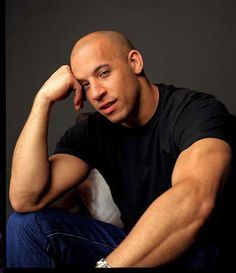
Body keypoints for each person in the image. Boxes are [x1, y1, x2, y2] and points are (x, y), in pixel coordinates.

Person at [6, 30, 235, 269]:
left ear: (134, 62)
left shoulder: (195, 112)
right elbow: (26, 199)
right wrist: (42, 101)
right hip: (137, 250)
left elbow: (194, 202)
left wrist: (106, 267)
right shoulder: (93, 131)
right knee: (25, 226)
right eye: (85, 84)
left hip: (201, 251)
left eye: (103, 73)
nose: (95, 93)